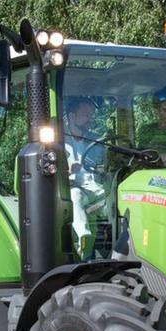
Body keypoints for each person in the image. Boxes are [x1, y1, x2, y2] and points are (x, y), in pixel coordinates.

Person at [63, 97, 106, 257]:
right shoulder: (58, 142)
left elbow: (106, 165)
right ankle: (84, 236)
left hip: (100, 189)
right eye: (86, 114)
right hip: (78, 189)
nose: (90, 118)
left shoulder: (96, 140)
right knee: (75, 195)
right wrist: (67, 171)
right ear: (72, 117)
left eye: (91, 115)